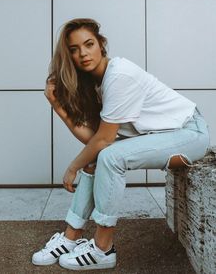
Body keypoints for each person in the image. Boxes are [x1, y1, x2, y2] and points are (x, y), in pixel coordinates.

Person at [32, 18, 210, 270]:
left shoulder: (119, 74)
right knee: (99, 156)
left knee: (110, 157)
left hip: (188, 133)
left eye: (89, 44)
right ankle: (71, 236)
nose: (83, 53)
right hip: (158, 136)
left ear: (101, 45)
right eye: (74, 49)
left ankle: (103, 248)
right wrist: (58, 106)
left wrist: (73, 167)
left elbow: (104, 141)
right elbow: (95, 141)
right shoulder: (95, 84)